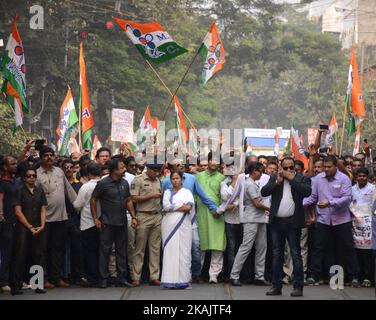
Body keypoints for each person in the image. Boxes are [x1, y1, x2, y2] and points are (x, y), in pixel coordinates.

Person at [304, 155, 360, 287]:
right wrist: (298, 205)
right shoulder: (318, 179)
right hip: (323, 220)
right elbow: (312, 197)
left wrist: (330, 203)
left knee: (348, 248)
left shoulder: (344, 178)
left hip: (342, 220)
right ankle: (313, 276)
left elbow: (347, 198)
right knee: (318, 247)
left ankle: (354, 277)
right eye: (325, 167)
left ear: (336, 166)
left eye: (329, 167)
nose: (326, 169)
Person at [162, 158, 219, 283]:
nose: (181, 165)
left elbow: (203, 196)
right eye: (178, 164)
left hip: (189, 219)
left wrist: (214, 208)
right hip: (172, 221)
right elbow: (163, 202)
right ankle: (173, 275)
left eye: (182, 163)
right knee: (173, 247)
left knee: (195, 245)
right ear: (171, 168)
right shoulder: (165, 181)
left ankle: (196, 274)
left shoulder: (192, 179)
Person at [261, 157, 312, 297]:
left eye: (291, 168)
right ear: (280, 168)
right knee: (277, 254)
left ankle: (298, 286)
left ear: (295, 167)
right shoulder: (275, 177)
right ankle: (276, 286)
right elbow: (264, 192)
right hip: (277, 222)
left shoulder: (301, 178)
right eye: (285, 168)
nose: (288, 170)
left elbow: (307, 192)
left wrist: (292, 179)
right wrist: (276, 183)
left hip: (293, 222)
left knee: (296, 254)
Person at [91, 157, 137, 288]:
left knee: (122, 251)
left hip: (122, 222)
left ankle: (121, 278)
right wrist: (96, 218)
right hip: (107, 223)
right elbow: (93, 200)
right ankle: (103, 279)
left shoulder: (124, 183)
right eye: (121, 168)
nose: (124, 170)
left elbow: (128, 200)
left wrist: (133, 216)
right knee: (105, 251)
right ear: (114, 170)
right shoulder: (103, 183)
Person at [36, 147, 77, 289]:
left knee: (57, 249)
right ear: (41, 158)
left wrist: (78, 205)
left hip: (60, 217)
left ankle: (56, 278)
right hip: (43, 219)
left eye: (51, 155)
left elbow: (69, 190)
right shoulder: (36, 174)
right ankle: (41, 280)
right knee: (41, 250)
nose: (49, 158)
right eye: (46, 155)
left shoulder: (59, 171)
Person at [230, 162, 270, 286]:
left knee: (261, 248)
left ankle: (260, 276)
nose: (261, 174)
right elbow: (257, 204)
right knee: (246, 247)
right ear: (254, 171)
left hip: (260, 219)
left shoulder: (251, 183)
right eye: (260, 171)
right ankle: (234, 275)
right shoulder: (249, 184)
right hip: (251, 219)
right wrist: (269, 209)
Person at [11, 168, 47, 295]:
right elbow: (17, 211)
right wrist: (29, 226)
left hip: (38, 226)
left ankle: (38, 285)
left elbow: (43, 209)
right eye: (29, 176)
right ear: (24, 178)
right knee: (20, 255)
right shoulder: (19, 190)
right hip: (23, 227)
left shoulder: (40, 190)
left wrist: (42, 225)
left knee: (39, 255)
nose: (32, 177)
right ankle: (16, 286)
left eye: (33, 175)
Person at [130, 162, 163, 286]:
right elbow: (133, 198)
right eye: (154, 171)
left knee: (155, 248)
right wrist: (151, 196)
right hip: (143, 216)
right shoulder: (137, 180)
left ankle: (154, 276)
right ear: (148, 169)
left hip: (157, 216)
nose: (156, 173)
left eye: (158, 171)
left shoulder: (158, 180)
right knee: (139, 248)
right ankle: (136, 277)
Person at [161, 171, 194, 289]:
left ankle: (184, 281)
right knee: (170, 251)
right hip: (168, 225)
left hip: (184, 225)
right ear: (170, 180)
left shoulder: (187, 193)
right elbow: (165, 206)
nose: (175, 180)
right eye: (173, 178)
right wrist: (179, 205)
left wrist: (173, 206)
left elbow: (188, 207)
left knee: (184, 252)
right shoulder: (166, 192)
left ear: (181, 179)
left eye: (177, 178)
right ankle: (169, 280)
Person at [196, 154, 226, 284]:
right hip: (201, 215)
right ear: (207, 161)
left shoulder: (223, 178)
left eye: (217, 161)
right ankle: (196, 273)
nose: (214, 162)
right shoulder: (198, 176)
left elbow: (226, 199)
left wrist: (220, 210)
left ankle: (213, 275)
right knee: (199, 245)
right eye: (212, 160)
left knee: (217, 246)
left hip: (217, 216)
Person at [73, 163, 102, 287]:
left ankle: (92, 278)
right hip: (103, 222)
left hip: (87, 223)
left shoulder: (85, 187)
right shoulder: (104, 184)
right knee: (100, 251)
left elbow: (77, 205)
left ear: (88, 174)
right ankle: (101, 276)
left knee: (89, 252)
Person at [351, 167, 375, 287]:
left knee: (367, 252)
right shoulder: (352, 189)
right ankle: (357, 277)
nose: (362, 178)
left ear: (367, 177)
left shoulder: (372, 188)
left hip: (368, 224)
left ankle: (367, 277)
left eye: (364, 176)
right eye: (359, 176)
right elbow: (350, 203)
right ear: (356, 177)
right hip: (355, 224)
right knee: (357, 251)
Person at [0, 156, 20, 293]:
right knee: (6, 253)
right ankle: (3, 282)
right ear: (5, 167)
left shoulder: (14, 181)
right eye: (13, 164)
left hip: (15, 221)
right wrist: (1, 214)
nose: (16, 165)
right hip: (6, 221)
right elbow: (0, 199)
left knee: (14, 252)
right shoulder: (2, 183)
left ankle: (13, 280)